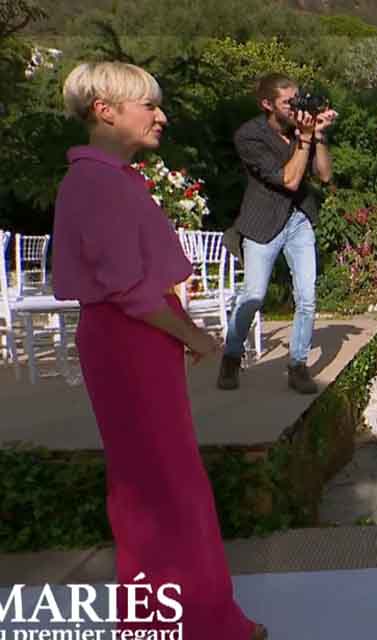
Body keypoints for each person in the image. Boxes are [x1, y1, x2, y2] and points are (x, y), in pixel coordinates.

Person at [52, 61, 266, 639]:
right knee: (160, 488)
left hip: (137, 343)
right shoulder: (96, 183)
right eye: (148, 104)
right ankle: (192, 625)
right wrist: (199, 339)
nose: (160, 115)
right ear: (106, 110)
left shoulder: (113, 178)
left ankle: (197, 620)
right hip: (130, 345)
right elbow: (128, 292)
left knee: (163, 484)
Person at [218, 73, 336, 394]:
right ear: (267, 104)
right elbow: (289, 181)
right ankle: (231, 356)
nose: (295, 107)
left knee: (307, 298)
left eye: (297, 99)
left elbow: (323, 176)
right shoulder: (250, 136)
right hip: (263, 221)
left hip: (299, 220)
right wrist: (306, 138)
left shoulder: (304, 129)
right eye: (288, 102)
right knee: (253, 295)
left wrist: (319, 136)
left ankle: (297, 365)